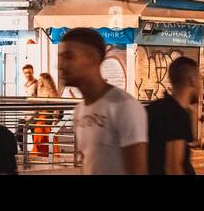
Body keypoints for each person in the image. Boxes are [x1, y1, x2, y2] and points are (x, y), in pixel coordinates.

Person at [59, 27, 146, 175]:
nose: (61, 65)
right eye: (60, 57)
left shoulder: (124, 106)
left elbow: (137, 170)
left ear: (92, 58)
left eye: (69, 57)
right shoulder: (79, 110)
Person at [146, 56, 199, 175]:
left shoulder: (154, 108)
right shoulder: (176, 114)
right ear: (192, 80)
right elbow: (173, 168)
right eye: (199, 78)